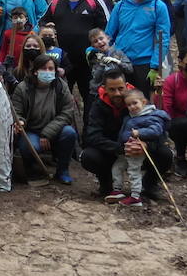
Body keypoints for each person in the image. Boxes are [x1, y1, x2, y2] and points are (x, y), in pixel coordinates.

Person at [80, 68, 170, 200]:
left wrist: (146, 145)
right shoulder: (97, 104)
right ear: (104, 88)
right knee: (88, 156)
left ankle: (149, 185)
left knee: (166, 154)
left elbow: (160, 131)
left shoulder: (138, 100)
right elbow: (92, 136)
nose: (117, 93)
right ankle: (107, 183)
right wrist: (120, 148)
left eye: (121, 88)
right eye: (112, 89)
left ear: (126, 86)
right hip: (113, 150)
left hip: (140, 149)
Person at [11, 53, 78, 185]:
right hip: (31, 130)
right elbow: (16, 111)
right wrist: (20, 121)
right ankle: (32, 170)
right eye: (43, 68)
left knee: (69, 133)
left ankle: (62, 170)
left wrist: (47, 133)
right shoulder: (23, 88)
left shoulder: (61, 86)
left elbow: (67, 112)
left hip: (54, 129)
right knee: (29, 146)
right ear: (35, 71)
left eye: (51, 68)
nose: (47, 72)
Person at [105, 0, 172, 95]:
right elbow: (109, 34)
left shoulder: (159, 6)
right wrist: (100, 52)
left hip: (145, 64)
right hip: (121, 62)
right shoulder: (120, 6)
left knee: (142, 104)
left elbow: (162, 39)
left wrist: (155, 66)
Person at [48, 0, 107, 104]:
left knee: (90, 96)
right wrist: (48, 26)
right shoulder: (56, 3)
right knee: (60, 97)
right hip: (63, 60)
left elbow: (106, 27)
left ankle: (89, 124)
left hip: (88, 60)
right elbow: (43, 22)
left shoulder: (93, 1)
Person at [108, 89, 169, 208]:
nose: (132, 107)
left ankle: (135, 196)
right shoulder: (130, 117)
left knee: (134, 171)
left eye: (135, 103)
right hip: (126, 149)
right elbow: (125, 133)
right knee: (117, 167)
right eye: (129, 105)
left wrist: (139, 133)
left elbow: (156, 130)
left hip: (138, 150)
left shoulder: (152, 115)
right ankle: (117, 190)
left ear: (144, 102)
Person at [160, 47, 187, 177]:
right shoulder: (172, 80)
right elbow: (165, 107)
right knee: (182, 124)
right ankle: (180, 159)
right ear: (181, 62)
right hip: (178, 124)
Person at [86, 27, 133, 92]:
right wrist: (101, 64)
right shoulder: (94, 58)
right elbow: (96, 78)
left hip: (120, 87)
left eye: (101, 38)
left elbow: (130, 69)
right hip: (104, 90)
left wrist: (118, 62)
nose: (99, 42)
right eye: (95, 41)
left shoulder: (118, 53)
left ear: (108, 38)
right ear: (93, 46)